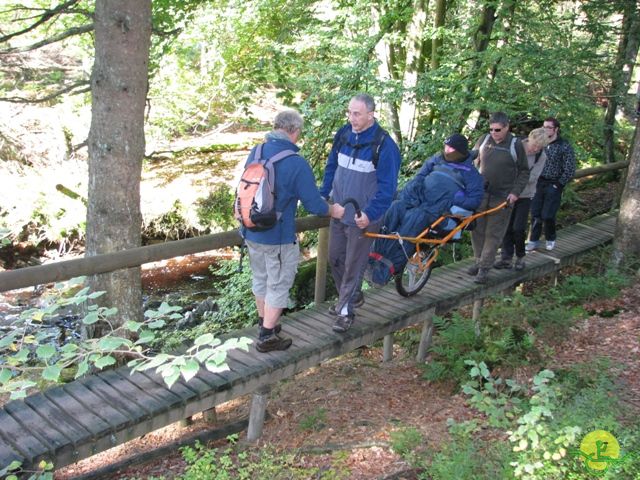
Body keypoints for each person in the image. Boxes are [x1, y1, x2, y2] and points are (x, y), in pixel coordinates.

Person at [243, 109, 345, 353]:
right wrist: (334, 211)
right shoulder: (295, 163)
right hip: (277, 236)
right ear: (294, 131)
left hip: (251, 232)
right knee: (279, 284)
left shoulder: (255, 152)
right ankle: (267, 336)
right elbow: (314, 205)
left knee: (261, 279)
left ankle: (265, 323)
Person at [319, 93, 401, 333]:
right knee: (335, 257)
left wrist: (370, 213)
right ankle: (352, 297)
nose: (351, 118)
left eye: (356, 114)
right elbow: (331, 167)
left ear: (371, 114)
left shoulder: (384, 146)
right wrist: (324, 195)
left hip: (363, 218)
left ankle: (345, 311)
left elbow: (388, 188)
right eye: (349, 112)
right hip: (339, 211)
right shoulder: (343, 134)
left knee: (354, 263)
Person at [366, 133, 484, 286]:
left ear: (459, 151)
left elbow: (475, 199)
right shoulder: (437, 159)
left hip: (437, 209)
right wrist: (413, 191)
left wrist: (452, 199)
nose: (446, 150)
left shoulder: (470, 173)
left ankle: (386, 269)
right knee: (395, 208)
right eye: (446, 146)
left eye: (450, 148)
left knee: (413, 219)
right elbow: (420, 177)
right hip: (419, 199)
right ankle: (373, 257)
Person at [468, 112, 529, 284]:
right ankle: (478, 261)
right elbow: (471, 162)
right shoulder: (484, 140)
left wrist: (515, 192)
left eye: (498, 130)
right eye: (491, 129)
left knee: (493, 233)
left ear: (507, 127)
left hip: (503, 196)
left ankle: (485, 268)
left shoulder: (515, 144)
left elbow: (524, 171)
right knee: (477, 229)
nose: (494, 133)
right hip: (482, 193)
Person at [494, 128, 551, 271]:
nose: (535, 149)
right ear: (529, 139)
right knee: (506, 226)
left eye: (539, 147)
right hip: (506, 194)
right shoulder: (515, 147)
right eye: (534, 145)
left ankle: (520, 257)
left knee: (518, 228)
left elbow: (533, 177)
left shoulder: (541, 156)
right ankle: (506, 258)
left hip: (525, 195)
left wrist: (517, 183)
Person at [526, 117, 576, 251]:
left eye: (548, 127)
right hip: (538, 182)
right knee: (535, 213)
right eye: (544, 126)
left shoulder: (564, 146)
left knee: (548, 215)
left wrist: (559, 184)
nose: (545, 129)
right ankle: (533, 240)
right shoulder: (540, 144)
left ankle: (550, 237)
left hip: (553, 184)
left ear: (556, 129)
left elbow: (570, 168)